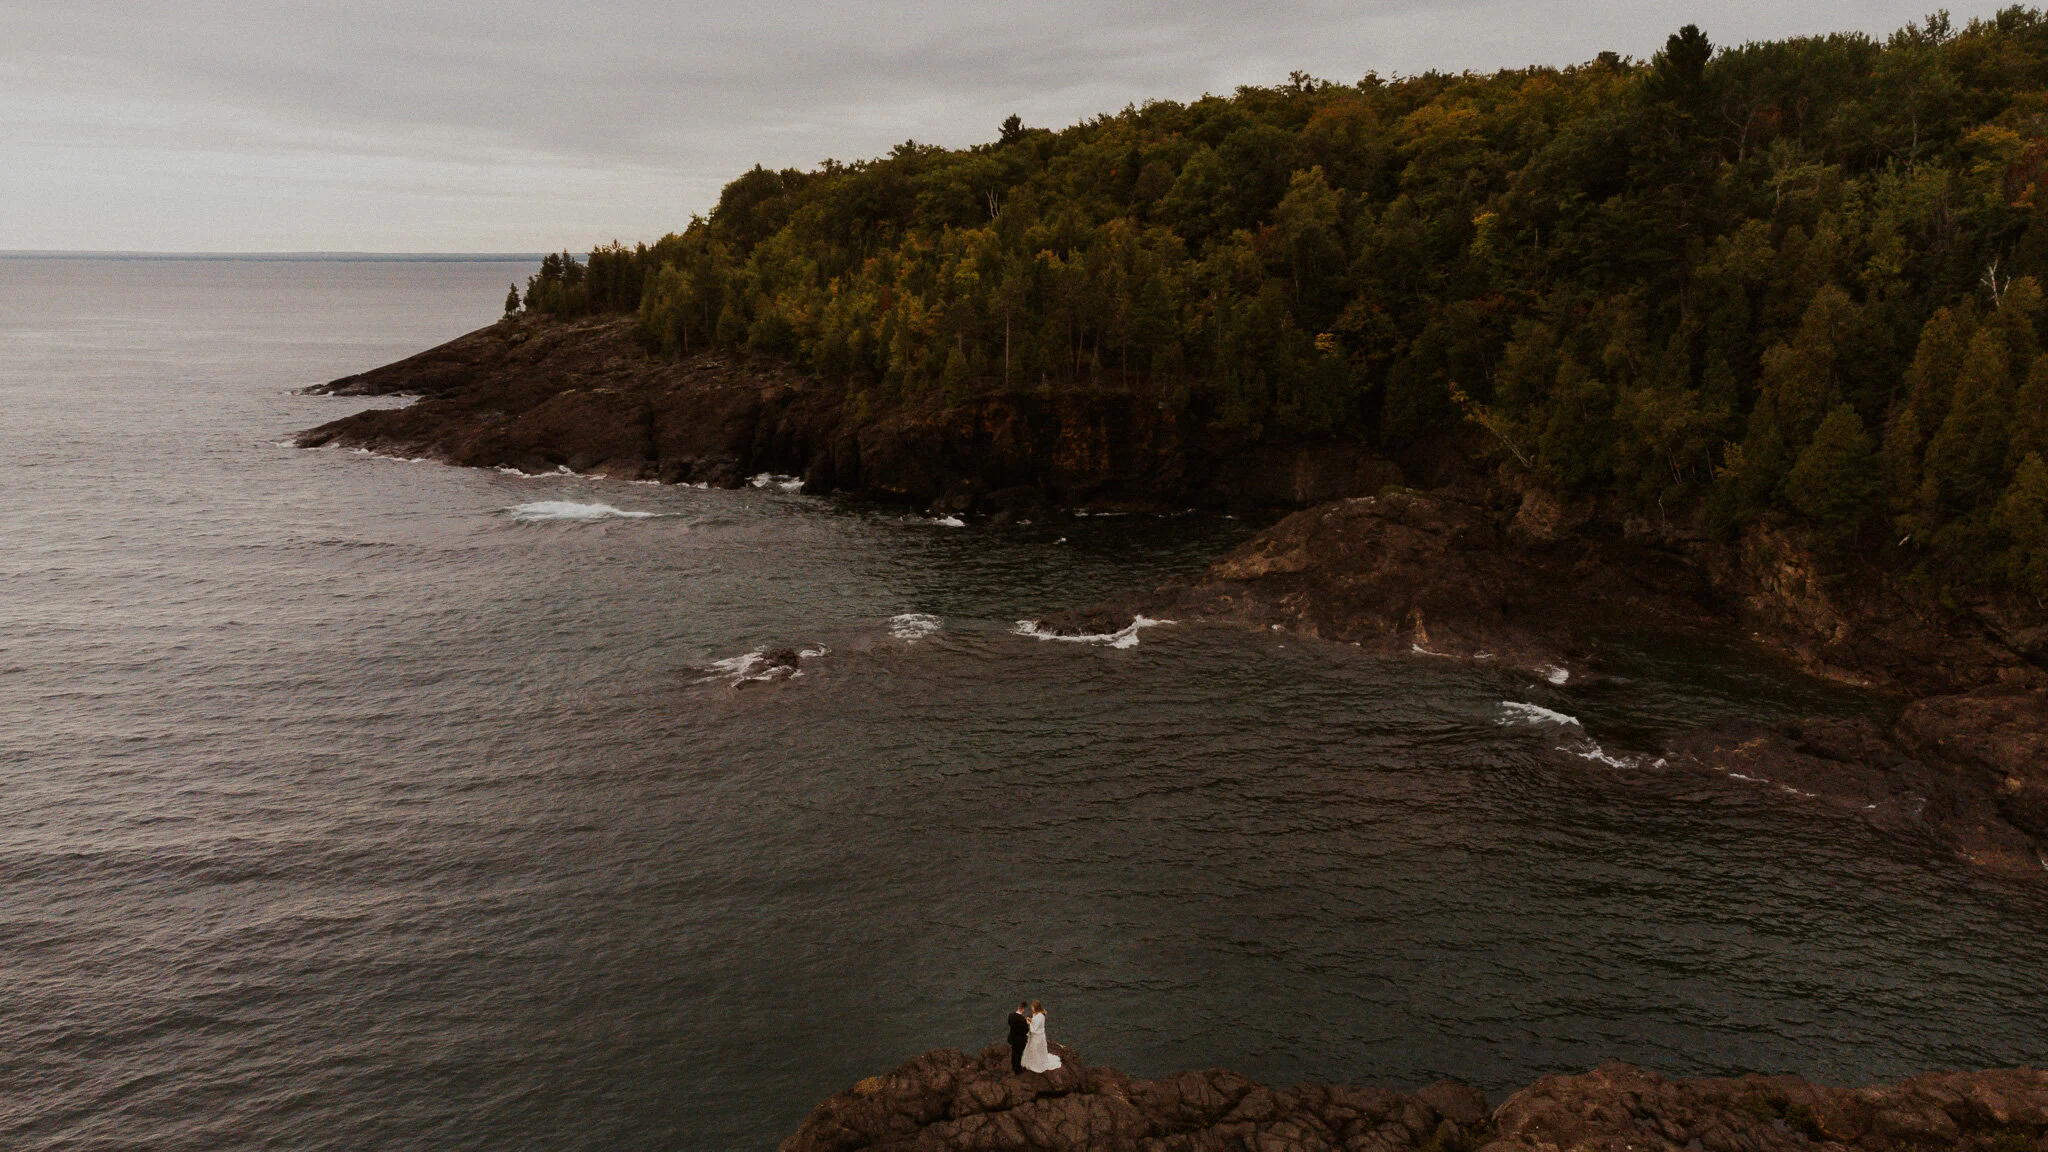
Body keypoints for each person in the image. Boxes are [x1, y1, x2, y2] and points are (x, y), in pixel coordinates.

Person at [1021, 999, 1062, 1072]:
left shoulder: (1040, 1016)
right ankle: (1033, 1062)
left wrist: (1028, 1023)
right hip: (1037, 1035)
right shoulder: (1036, 1014)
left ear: (1036, 1008)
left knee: (1037, 1050)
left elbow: (1034, 1029)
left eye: (1032, 1007)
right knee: (1035, 1049)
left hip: (1038, 1036)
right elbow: (1035, 1024)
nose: (1031, 1008)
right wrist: (1030, 1020)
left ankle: (1037, 1064)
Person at [1006, 1001, 1031, 1074]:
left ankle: (1014, 1066)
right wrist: (1027, 1022)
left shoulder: (1011, 1015)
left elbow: (1010, 1023)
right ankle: (1018, 1070)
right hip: (1020, 1040)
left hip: (1012, 1038)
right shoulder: (1022, 1019)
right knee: (1018, 1054)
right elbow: (1026, 1030)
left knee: (1014, 1053)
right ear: (1023, 1009)